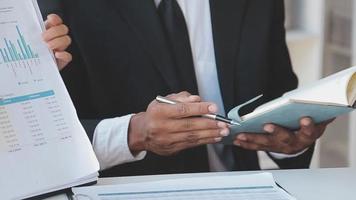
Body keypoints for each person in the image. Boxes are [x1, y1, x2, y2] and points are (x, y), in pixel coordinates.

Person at [39, 0, 332, 177]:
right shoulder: (55, 10)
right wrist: (134, 133)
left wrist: (290, 146)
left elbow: (275, 99)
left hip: (240, 188)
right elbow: (43, 140)